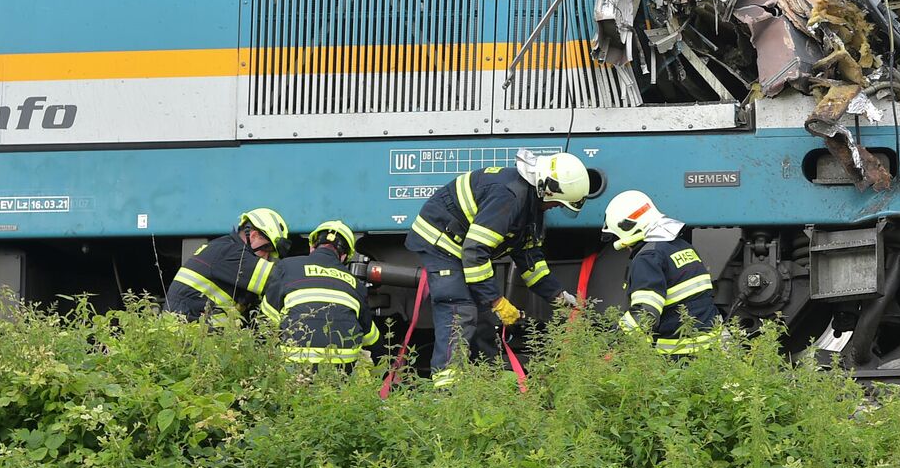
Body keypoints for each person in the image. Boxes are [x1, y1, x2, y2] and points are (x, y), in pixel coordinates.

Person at [405, 149, 590, 387]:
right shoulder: (509, 196)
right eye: (557, 202)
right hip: (441, 243)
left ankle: (488, 382)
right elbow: (474, 251)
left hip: (463, 247)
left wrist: (559, 296)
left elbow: (529, 258)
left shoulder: (530, 204)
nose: (556, 207)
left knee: (482, 316)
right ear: (546, 189)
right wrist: (497, 301)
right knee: (459, 309)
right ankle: (447, 391)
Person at [602, 190, 721, 356]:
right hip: (710, 349)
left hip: (678, 357)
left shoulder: (648, 257)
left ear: (628, 227)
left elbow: (645, 313)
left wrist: (612, 345)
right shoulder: (682, 246)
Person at [262, 220, 380, 368]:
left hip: (294, 365)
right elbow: (370, 336)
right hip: (340, 369)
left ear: (312, 247)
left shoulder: (287, 266)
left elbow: (267, 319)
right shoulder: (355, 284)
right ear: (343, 257)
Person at [163, 207, 289, 323]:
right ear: (254, 235)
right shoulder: (230, 253)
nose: (266, 258)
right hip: (189, 335)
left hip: (191, 334)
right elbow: (279, 278)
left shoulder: (224, 247)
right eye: (266, 248)